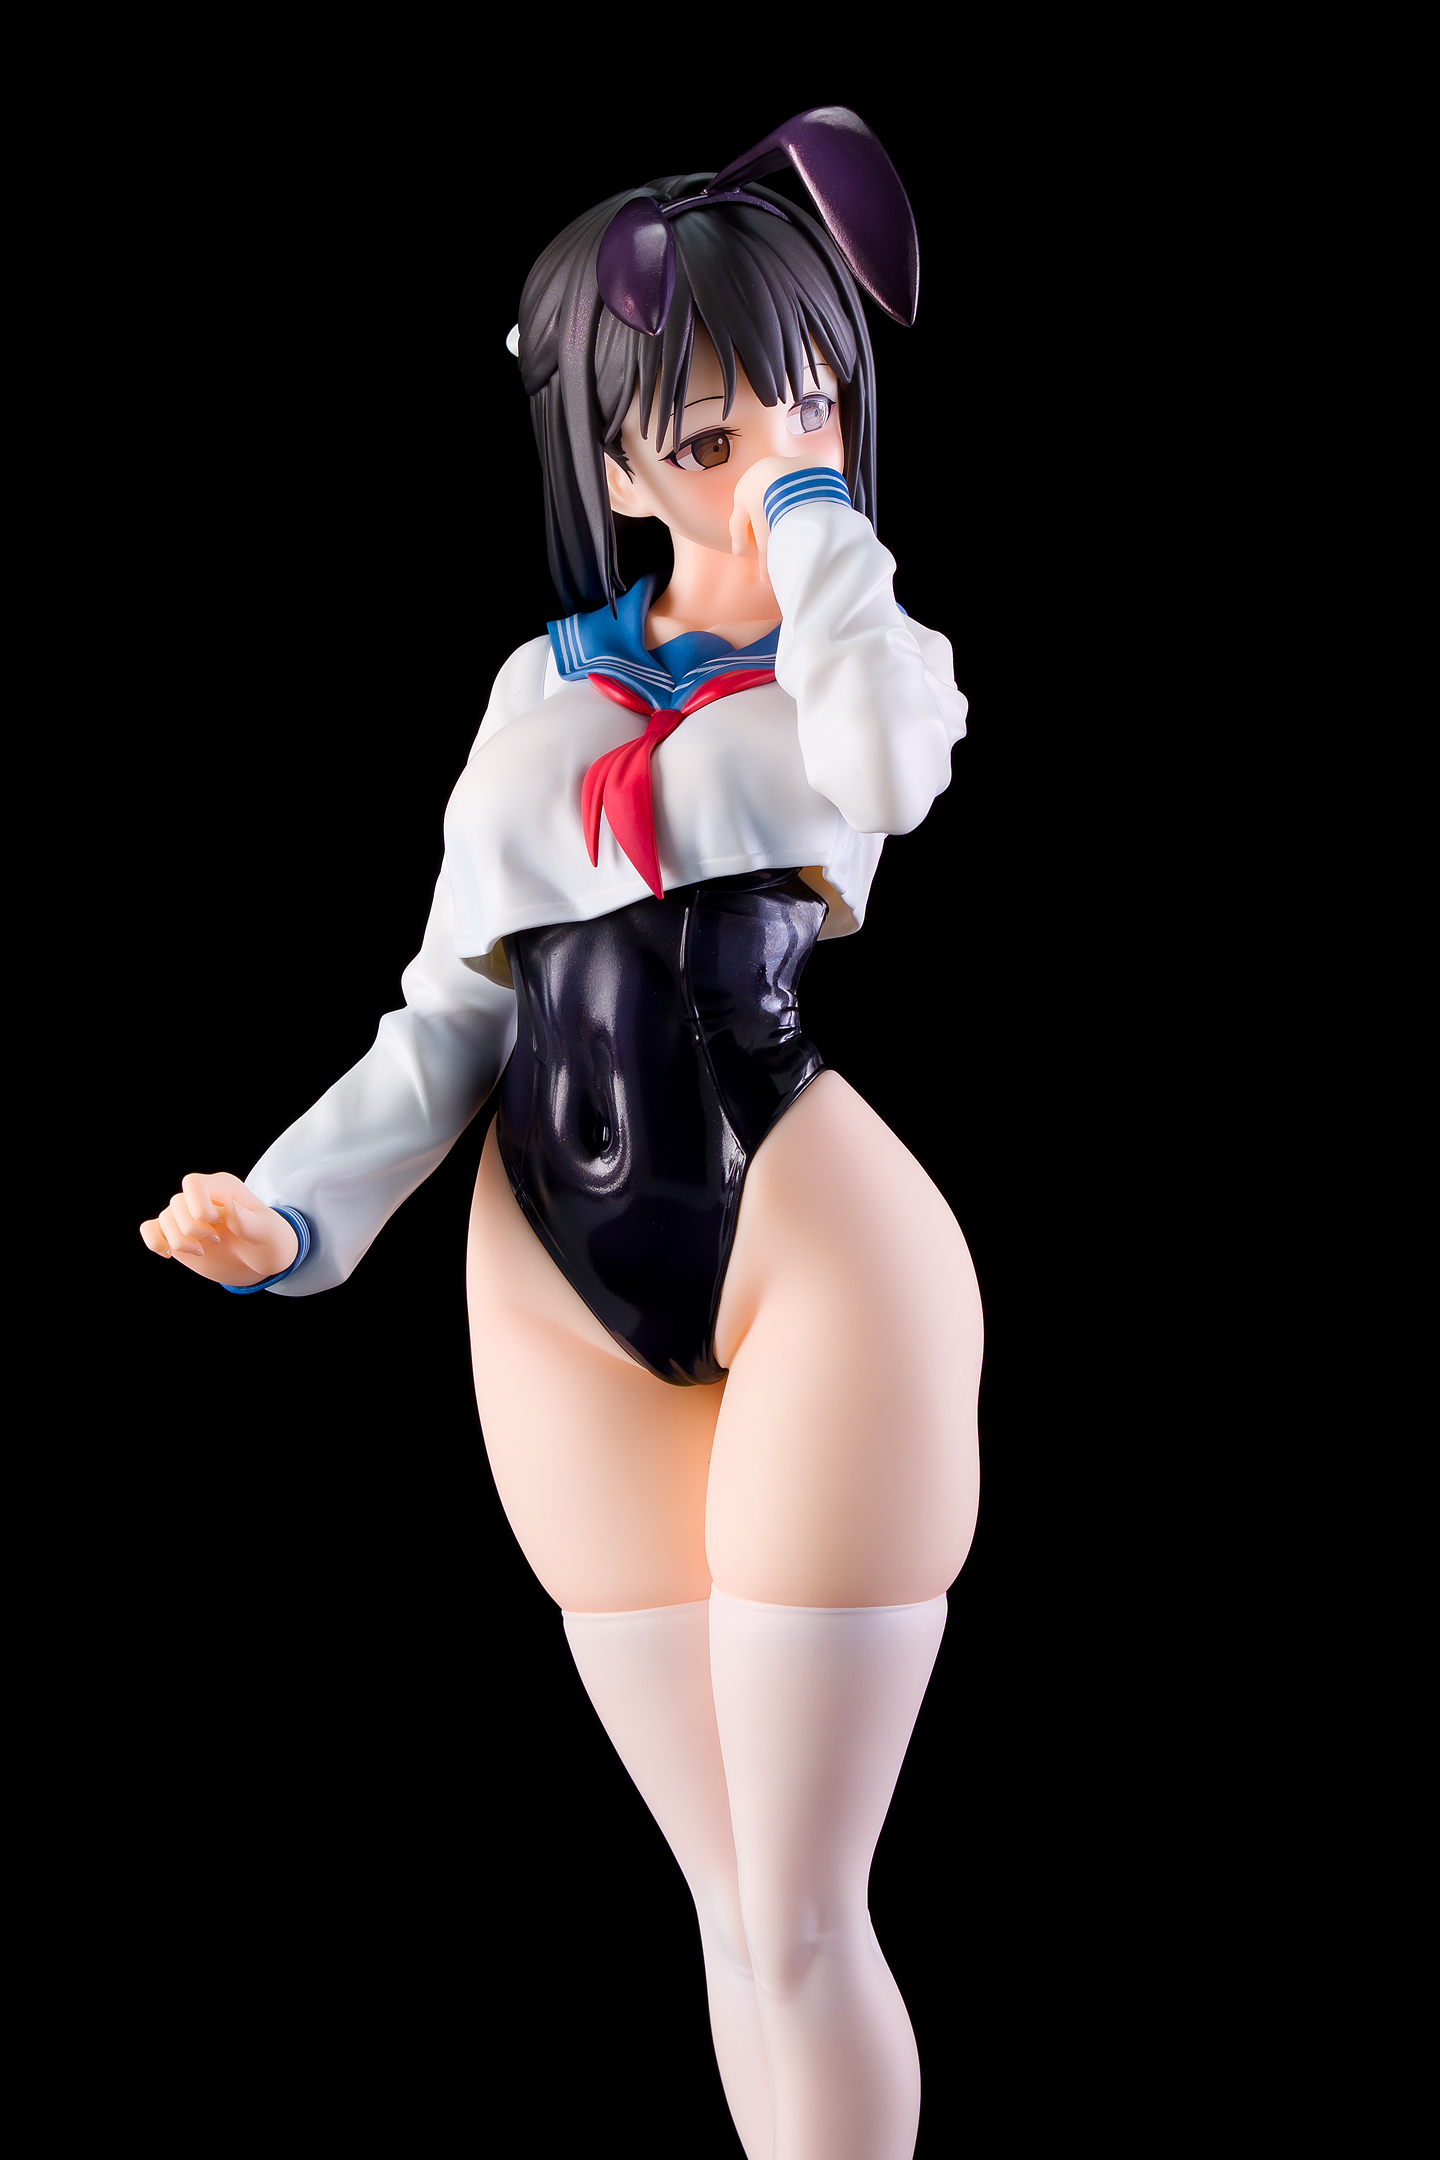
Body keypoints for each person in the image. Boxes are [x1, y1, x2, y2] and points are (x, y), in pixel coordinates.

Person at [140, 110, 983, 2160]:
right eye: (705, 432)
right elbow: (450, 1014)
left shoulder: (858, 660)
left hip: (805, 1237)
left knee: (807, 1908)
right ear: (613, 468)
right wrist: (292, 1213)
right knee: (729, 1910)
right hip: (545, 1283)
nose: (766, 451)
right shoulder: (542, 694)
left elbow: (891, 773)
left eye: (806, 397)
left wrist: (812, 512)